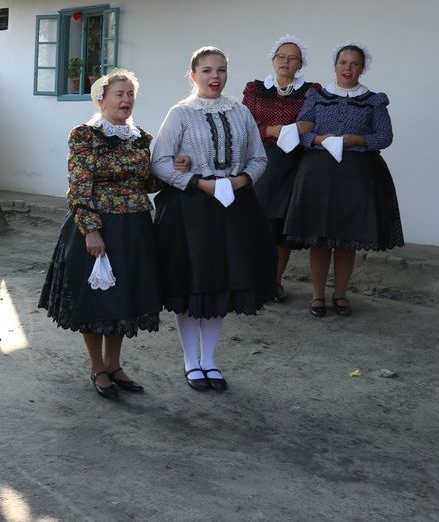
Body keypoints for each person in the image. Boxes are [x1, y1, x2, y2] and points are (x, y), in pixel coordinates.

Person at [151, 47, 275, 393]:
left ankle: (211, 361)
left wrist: (239, 181)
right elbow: (159, 162)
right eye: (206, 70)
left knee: (221, 282)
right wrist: (199, 183)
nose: (214, 77)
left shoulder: (241, 112)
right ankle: (191, 361)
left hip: (234, 208)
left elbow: (259, 158)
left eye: (220, 70)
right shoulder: (180, 113)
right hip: (190, 208)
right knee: (192, 283)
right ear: (193, 76)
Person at [39, 69, 162, 398]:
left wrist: (171, 166)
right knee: (96, 300)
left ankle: (114, 364)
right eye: (119, 94)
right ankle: (97, 367)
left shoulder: (142, 139)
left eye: (130, 94)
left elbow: (148, 184)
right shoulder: (84, 135)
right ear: (101, 99)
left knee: (122, 298)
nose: (126, 100)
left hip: (135, 228)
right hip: (99, 228)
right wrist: (91, 230)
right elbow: (79, 187)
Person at [284, 43, 403, 317]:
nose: (348, 68)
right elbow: (301, 131)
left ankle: (340, 295)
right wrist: (318, 139)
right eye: (343, 62)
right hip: (318, 176)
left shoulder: (374, 100)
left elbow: (384, 137)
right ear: (334, 65)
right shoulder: (316, 95)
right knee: (319, 237)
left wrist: (354, 140)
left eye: (354, 64)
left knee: (348, 238)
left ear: (362, 68)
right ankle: (317, 296)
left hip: (357, 176)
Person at [241, 35, 321, 302]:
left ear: (301, 64)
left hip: (293, 163)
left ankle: (273, 282)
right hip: (261, 161)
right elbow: (244, 125)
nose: (286, 61)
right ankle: (250, 280)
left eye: (293, 58)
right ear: (273, 60)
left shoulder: (311, 91)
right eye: (281, 56)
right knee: (256, 223)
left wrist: (297, 128)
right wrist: (273, 130)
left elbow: (311, 123)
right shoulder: (255, 89)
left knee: (281, 227)